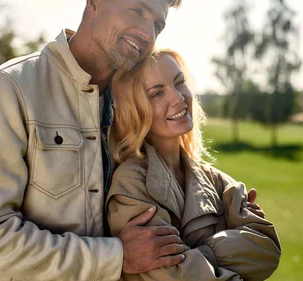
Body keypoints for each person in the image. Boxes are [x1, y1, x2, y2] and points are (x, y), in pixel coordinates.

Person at [0, 0, 187, 281]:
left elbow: (168, 175)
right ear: (95, 1)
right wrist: (116, 256)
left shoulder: (132, 104)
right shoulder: (10, 88)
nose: (147, 33)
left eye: (157, 25)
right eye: (136, 11)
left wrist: (231, 203)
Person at [106, 49, 282, 281]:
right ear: (134, 109)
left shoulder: (215, 179)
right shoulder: (131, 184)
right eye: (157, 93)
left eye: (180, 83)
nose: (179, 98)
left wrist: (196, 255)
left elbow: (267, 248)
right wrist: (230, 247)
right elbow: (168, 276)